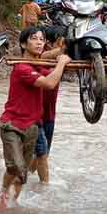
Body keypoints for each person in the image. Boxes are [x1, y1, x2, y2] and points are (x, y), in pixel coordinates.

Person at [0, 26, 71, 206]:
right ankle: (4, 190)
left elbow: (53, 75)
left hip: (32, 127)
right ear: (24, 43)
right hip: (12, 125)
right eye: (34, 38)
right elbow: (49, 83)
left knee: (22, 174)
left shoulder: (39, 67)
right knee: (17, 167)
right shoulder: (22, 68)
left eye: (41, 39)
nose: (39, 42)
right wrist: (61, 62)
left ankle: (11, 204)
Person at [30, 26, 66, 183]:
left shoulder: (60, 59)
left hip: (50, 116)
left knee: (42, 155)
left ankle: (20, 175)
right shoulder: (38, 56)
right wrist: (63, 50)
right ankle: (45, 187)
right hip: (34, 116)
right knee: (42, 153)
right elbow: (48, 54)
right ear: (55, 41)